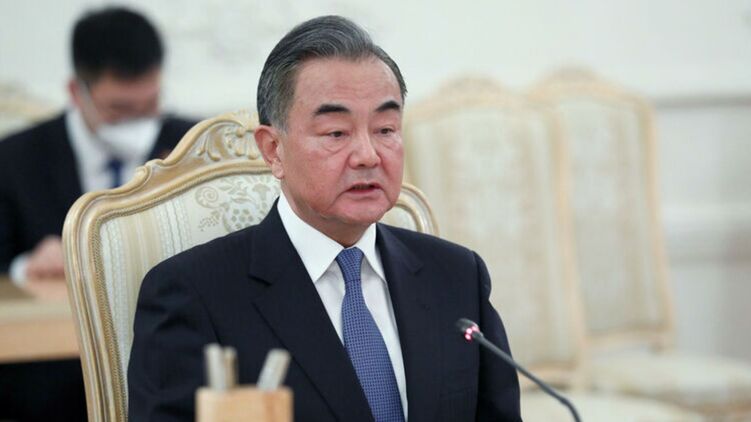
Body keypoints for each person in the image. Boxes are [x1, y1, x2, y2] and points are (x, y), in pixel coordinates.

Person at [128, 15, 521, 421]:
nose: (368, 155)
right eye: (336, 133)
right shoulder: (193, 294)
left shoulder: (457, 276)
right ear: (273, 150)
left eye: (386, 129)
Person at [0, 7, 195, 421]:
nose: (138, 122)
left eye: (149, 105)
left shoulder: (191, 149)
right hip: (51, 378)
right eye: (119, 109)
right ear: (77, 92)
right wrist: (26, 266)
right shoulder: (14, 159)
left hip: (172, 362)